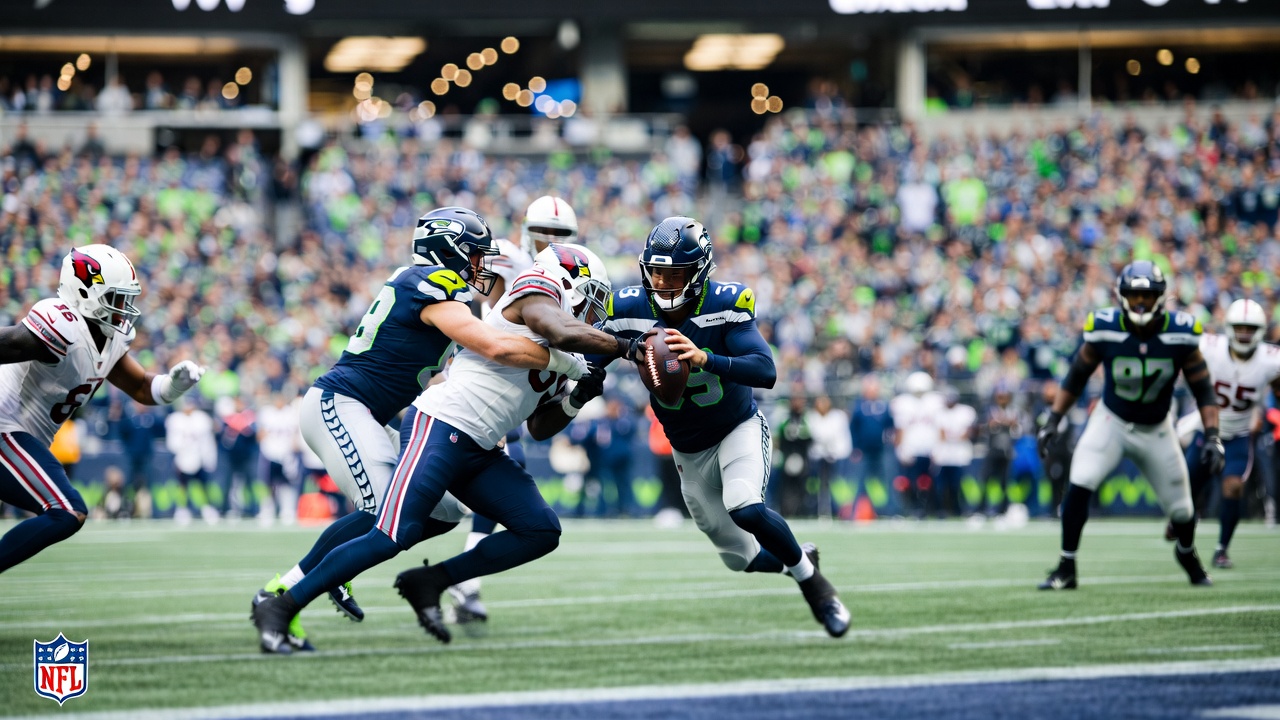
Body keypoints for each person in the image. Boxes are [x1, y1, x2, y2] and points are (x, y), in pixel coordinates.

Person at [252, 242, 637, 653]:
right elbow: (559, 330)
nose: (595, 316)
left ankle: (430, 581)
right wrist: (623, 346)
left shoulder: (565, 347)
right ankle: (283, 605)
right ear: (567, 281)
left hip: (481, 448)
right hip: (441, 424)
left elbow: (540, 427)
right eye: (593, 300)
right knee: (393, 531)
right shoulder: (536, 293)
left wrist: (576, 400)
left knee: (540, 529)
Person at [599, 217, 849, 638]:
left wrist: (705, 358)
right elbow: (594, 355)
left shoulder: (725, 304)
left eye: (674, 274)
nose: (661, 283)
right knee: (740, 559)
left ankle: (815, 586)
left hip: (737, 428)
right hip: (687, 449)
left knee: (744, 504)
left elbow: (765, 370)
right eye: (656, 272)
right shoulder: (626, 308)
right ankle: (800, 559)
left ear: (698, 273)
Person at [0, 245, 204, 574]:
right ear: (85, 292)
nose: (125, 308)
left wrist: (172, 385)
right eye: (116, 298)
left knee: (66, 511)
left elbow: (141, 387)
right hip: (4, 428)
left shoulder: (108, 338)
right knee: (66, 510)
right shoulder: (63, 324)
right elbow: (7, 342)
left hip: (22, 437)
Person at [1037, 261, 1221, 590]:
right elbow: (1076, 376)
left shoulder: (1181, 332)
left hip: (1157, 427)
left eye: (1147, 296)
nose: (1140, 302)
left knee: (1182, 509)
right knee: (1080, 480)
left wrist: (1213, 435)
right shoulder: (1105, 327)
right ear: (1122, 296)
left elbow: (1203, 388)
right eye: (1134, 295)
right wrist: (1053, 419)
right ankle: (1066, 566)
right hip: (1112, 420)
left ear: (1161, 298)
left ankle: (1186, 552)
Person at [1173, 299, 1280, 569]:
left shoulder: (1270, 360)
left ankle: (1222, 549)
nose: (1244, 334)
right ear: (1229, 328)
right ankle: (1178, 523)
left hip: (1241, 434)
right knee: (1188, 487)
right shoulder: (1210, 347)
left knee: (1233, 486)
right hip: (1208, 429)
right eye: (1239, 327)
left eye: (1250, 328)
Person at [891, 371, 941, 518]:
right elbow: (899, 428)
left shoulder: (936, 401)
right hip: (911, 448)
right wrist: (901, 447)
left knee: (930, 481)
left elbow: (940, 426)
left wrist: (938, 447)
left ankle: (930, 508)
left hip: (929, 448)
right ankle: (912, 508)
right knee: (909, 481)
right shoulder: (902, 403)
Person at [164, 399, 219, 524]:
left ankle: (206, 507)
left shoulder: (201, 418)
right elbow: (172, 442)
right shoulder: (175, 419)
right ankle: (181, 508)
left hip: (199, 457)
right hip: (182, 457)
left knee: (203, 485)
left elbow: (208, 440)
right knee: (182, 486)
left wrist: (208, 457)